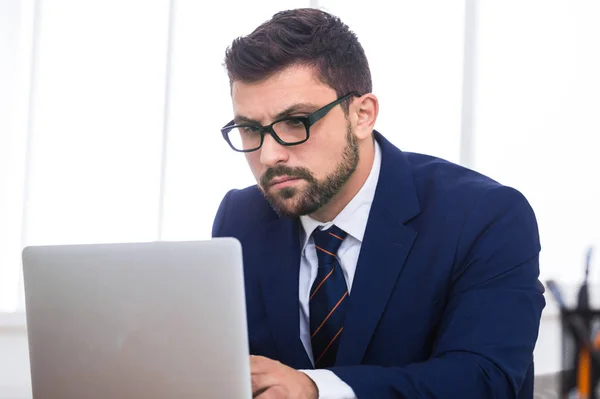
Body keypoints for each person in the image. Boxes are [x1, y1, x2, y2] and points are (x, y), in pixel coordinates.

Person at [212, 7, 545, 399]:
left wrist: (317, 390)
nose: (268, 156)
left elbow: (484, 379)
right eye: (251, 129)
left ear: (362, 115)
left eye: (295, 122)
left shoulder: (485, 217)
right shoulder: (241, 217)